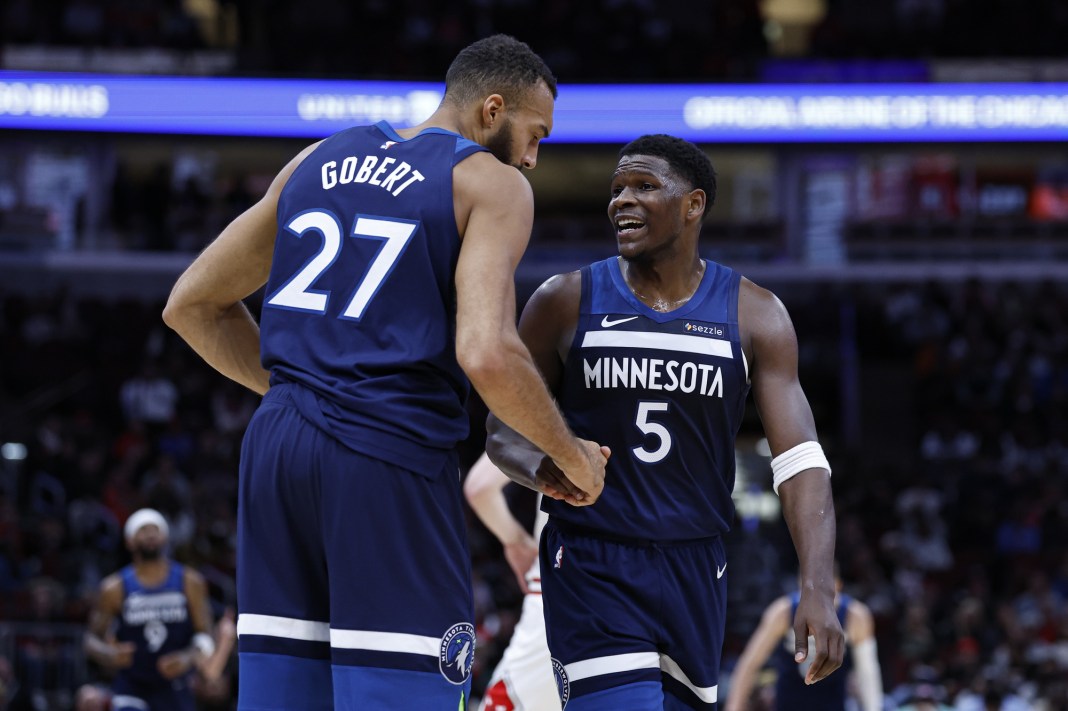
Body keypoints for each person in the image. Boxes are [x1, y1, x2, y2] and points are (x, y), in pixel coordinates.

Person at [163, 34, 609, 710]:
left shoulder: (315, 159)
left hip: (276, 446)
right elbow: (487, 352)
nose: (532, 157)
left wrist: (314, 389)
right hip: (387, 454)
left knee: (286, 691)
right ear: (493, 109)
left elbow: (191, 305)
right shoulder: (491, 183)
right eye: (534, 134)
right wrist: (572, 456)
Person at [486, 134, 844, 710]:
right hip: (592, 558)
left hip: (696, 565)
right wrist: (543, 467)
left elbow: (800, 460)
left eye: (644, 186)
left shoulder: (755, 314)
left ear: (693, 204)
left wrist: (817, 586)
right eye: (617, 189)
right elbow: (502, 429)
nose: (621, 200)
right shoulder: (564, 300)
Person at [84, 509, 231, 711]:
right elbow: (90, 639)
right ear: (129, 541)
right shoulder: (114, 587)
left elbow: (205, 634)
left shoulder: (190, 581)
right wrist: (109, 654)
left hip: (175, 684)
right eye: (143, 530)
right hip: (131, 683)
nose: (150, 534)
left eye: (155, 529)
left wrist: (187, 658)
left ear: (165, 537)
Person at [463, 452, 561, 711]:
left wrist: (516, 541)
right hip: (650, 591)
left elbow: (480, 487)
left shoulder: (567, 422)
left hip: (563, 591)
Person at [724, 569, 883, 711]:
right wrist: (733, 706)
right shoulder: (782, 612)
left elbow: (868, 674)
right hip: (788, 703)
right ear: (800, 586)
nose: (817, 601)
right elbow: (750, 664)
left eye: (823, 591)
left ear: (838, 586)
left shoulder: (856, 617)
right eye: (810, 590)